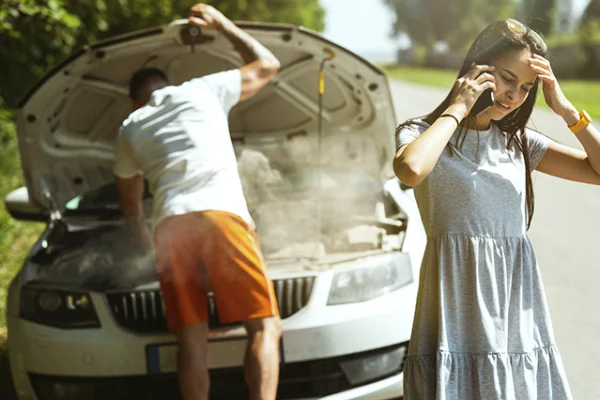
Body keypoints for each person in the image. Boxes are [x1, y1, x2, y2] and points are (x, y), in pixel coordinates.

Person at [393, 19, 600, 399]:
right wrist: (458, 107)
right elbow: (410, 170)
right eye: (507, 78)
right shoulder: (423, 133)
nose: (514, 95)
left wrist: (566, 109)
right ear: (478, 69)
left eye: (526, 88)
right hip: (455, 305)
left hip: (515, 306)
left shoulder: (519, 142)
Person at [112, 4, 282, 400]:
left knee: (192, 339)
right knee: (265, 327)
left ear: (136, 100)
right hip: (221, 215)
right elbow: (268, 64)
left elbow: (131, 208)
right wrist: (222, 24)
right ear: (167, 83)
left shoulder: (128, 129)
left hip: (170, 227)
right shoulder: (201, 90)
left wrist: (141, 252)